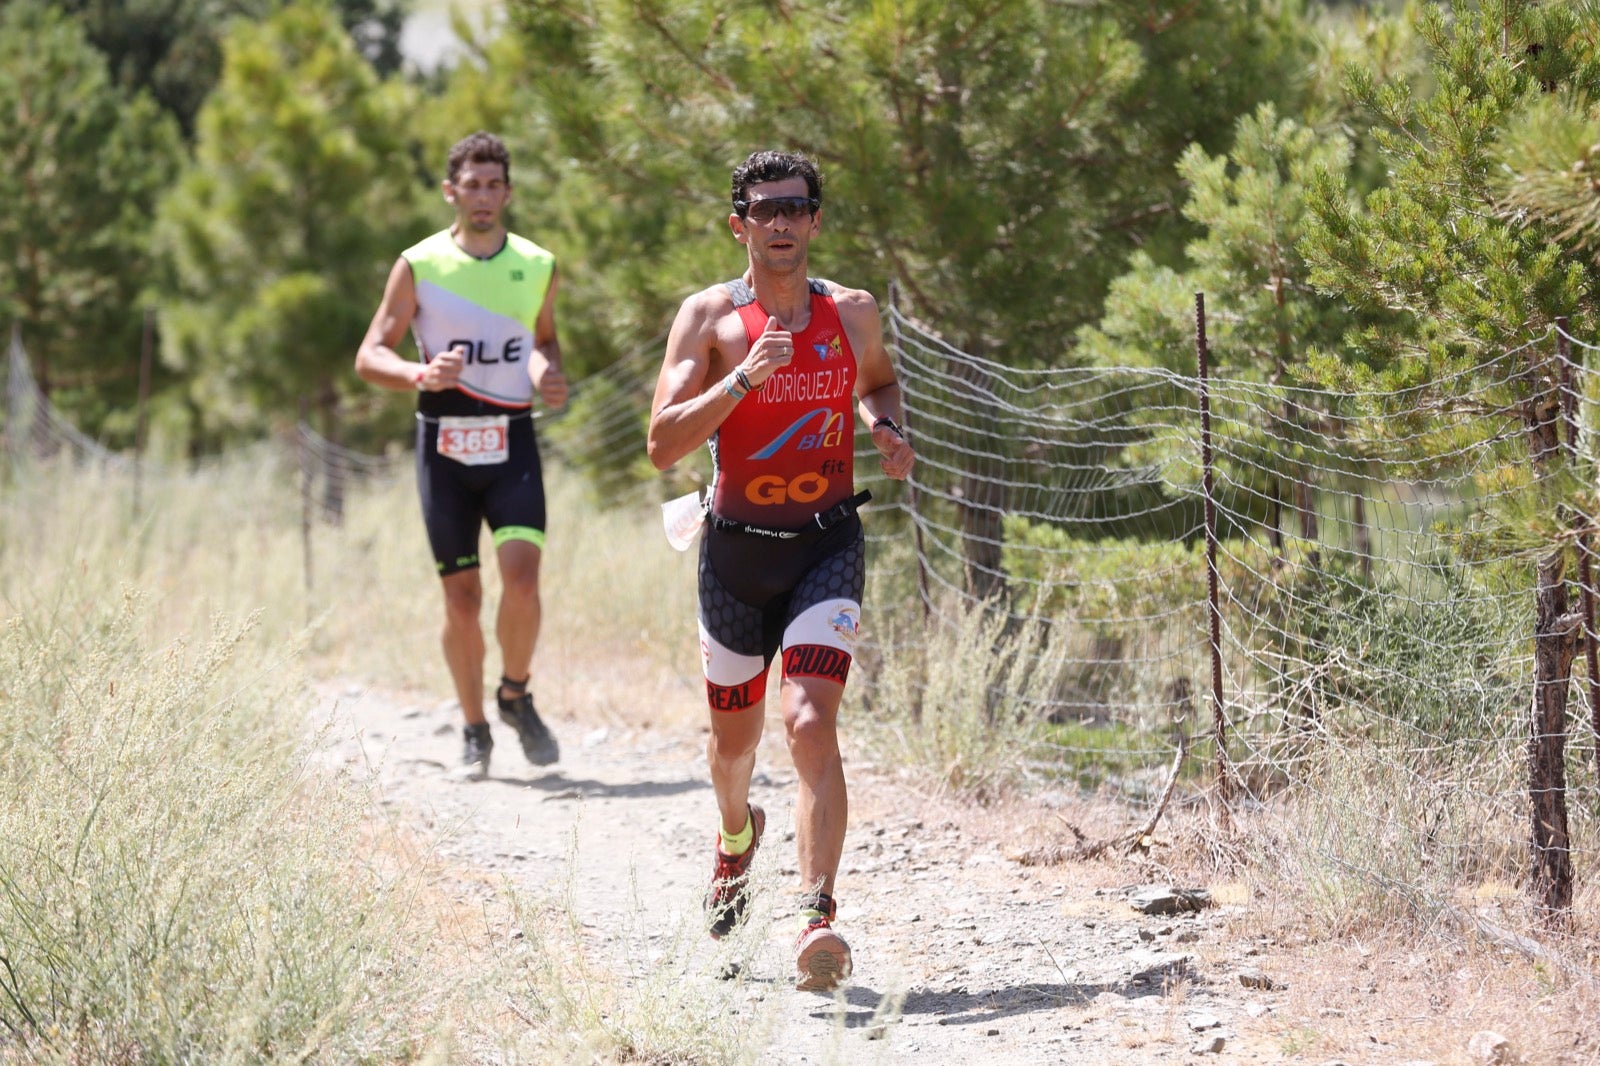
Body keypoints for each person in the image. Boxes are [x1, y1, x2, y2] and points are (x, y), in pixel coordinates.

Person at [647, 150, 915, 991]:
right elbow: (661, 445)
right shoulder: (709, 320)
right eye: (766, 210)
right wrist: (741, 381)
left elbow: (880, 384)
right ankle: (737, 840)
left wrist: (884, 426)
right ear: (741, 225)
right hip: (733, 557)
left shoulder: (853, 312)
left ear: (816, 222)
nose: (783, 223)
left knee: (806, 719)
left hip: (824, 543)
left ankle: (815, 914)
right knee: (733, 751)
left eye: (797, 208)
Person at [355, 131, 568, 781]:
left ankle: (515, 692)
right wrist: (421, 376)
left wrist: (546, 373)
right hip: (443, 447)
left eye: (493, 184)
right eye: (470, 184)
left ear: (507, 192)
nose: (482, 195)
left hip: (512, 442)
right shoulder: (418, 265)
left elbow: (543, 342)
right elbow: (370, 356)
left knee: (523, 578)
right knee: (463, 600)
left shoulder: (537, 263)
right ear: (451, 192)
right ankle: (474, 727)